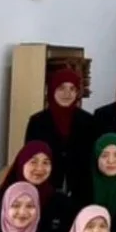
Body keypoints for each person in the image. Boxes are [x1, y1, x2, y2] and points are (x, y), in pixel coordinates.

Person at [23, 66, 99, 198]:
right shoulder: (37, 121)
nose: (67, 94)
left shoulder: (89, 121)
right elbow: (29, 158)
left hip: (81, 191)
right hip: (44, 189)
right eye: (61, 88)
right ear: (52, 90)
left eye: (72, 89)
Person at [0, 142, 75, 232]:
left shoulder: (61, 202)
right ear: (21, 163)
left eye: (46, 162)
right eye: (33, 162)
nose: (40, 168)